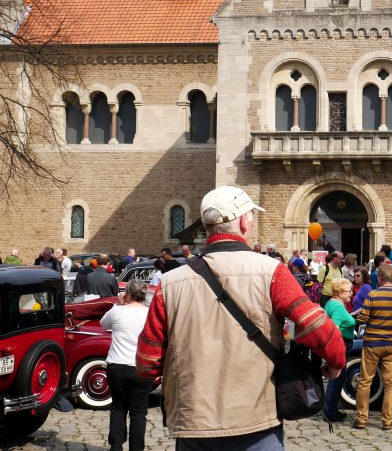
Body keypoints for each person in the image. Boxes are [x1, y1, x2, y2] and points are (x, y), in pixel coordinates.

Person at [136, 185, 346, 448]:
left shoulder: (169, 283)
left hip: (194, 422)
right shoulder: (272, 272)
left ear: (206, 226)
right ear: (245, 222)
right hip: (256, 418)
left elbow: (146, 363)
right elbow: (315, 325)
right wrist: (335, 362)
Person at [354, 262, 392, 430]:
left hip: (372, 343)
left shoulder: (372, 295)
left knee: (365, 382)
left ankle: (362, 418)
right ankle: (387, 420)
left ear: (379, 278)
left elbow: (362, 319)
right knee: (391, 384)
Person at [101, 279, 152, 451]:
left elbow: (103, 324)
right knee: (139, 412)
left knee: (118, 406)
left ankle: (116, 445)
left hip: (118, 365)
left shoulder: (117, 311)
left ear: (127, 293)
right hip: (142, 366)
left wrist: (117, 303)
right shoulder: (149, 313)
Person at [323, 278, 356, 422]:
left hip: (341, 343)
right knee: (336, 378)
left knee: (337, 377)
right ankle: (329, 411)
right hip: (340, 344)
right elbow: (333, 327)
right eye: (349, 291)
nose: (351, 293)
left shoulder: (333, 303)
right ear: (341, 293)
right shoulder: (337, 307)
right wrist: (336, 348)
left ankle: (332, 408)